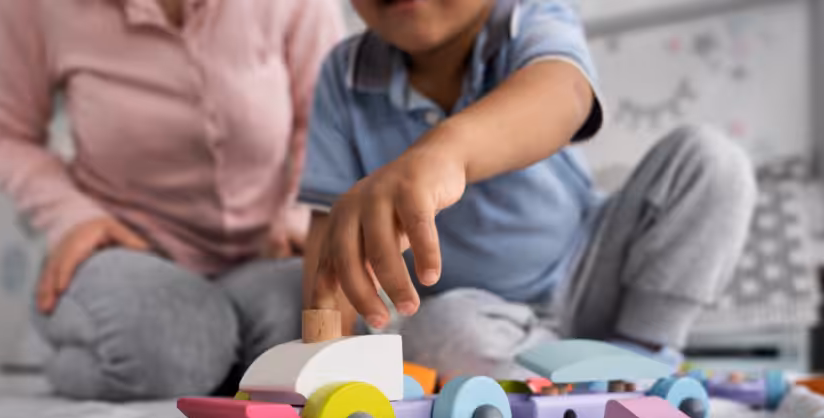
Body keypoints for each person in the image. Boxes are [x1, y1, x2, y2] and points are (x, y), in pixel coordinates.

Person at [301, 0, 757, 380]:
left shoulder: (529, 15)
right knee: (434, 334)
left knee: (711, 160)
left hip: (593, 267)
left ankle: (644, 356)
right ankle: (574, 373)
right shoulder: (343, 77)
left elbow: (566, 95)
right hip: (482, 315)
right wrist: (322, 368)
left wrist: (446, 153)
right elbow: (331, 240)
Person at [0, 0, 344, 400]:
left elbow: (328, 116)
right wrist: (73, 217)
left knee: (298, 327)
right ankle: (183, 357)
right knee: (169, 340)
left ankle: (208, 361)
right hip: (126, 253)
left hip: (260, 256)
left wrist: (301, 211)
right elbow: (6, 132)